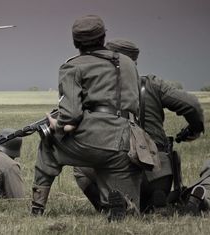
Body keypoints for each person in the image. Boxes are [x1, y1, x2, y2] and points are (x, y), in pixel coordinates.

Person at [31, 15, 143, 221]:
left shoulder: (71, 66)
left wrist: (58, 125)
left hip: (91, 141)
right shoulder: (127, 63)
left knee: (48, 144)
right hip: (128, 142)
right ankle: (120, 205)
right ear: (103, 37)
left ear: (75, 42)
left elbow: (71, 115)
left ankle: (37, 206)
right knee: (130, 210)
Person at [74, 39, 204, 213]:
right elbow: (192, 104)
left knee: (80, 168)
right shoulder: (152, 85)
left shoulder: (94, 89)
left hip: (116, 175)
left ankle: (107, 205)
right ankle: (156, 198)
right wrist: (194, 130)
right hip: (158, 173)